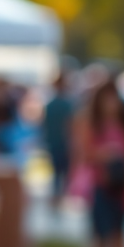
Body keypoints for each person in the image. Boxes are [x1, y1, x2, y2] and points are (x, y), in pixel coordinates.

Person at [78, 79, 124, 247]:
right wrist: (106, 154)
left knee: (119, 236)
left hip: (121, 187)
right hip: (100, 185)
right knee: (100, 237)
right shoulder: (90, 123)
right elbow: (83, 153)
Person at [42, 73, 75, 211]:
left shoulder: (50, 105)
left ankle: (57, 198)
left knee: (57, 173)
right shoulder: (69, 105)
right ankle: (59, 198)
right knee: (63, 173)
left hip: (55, 143)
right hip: (63, 144)